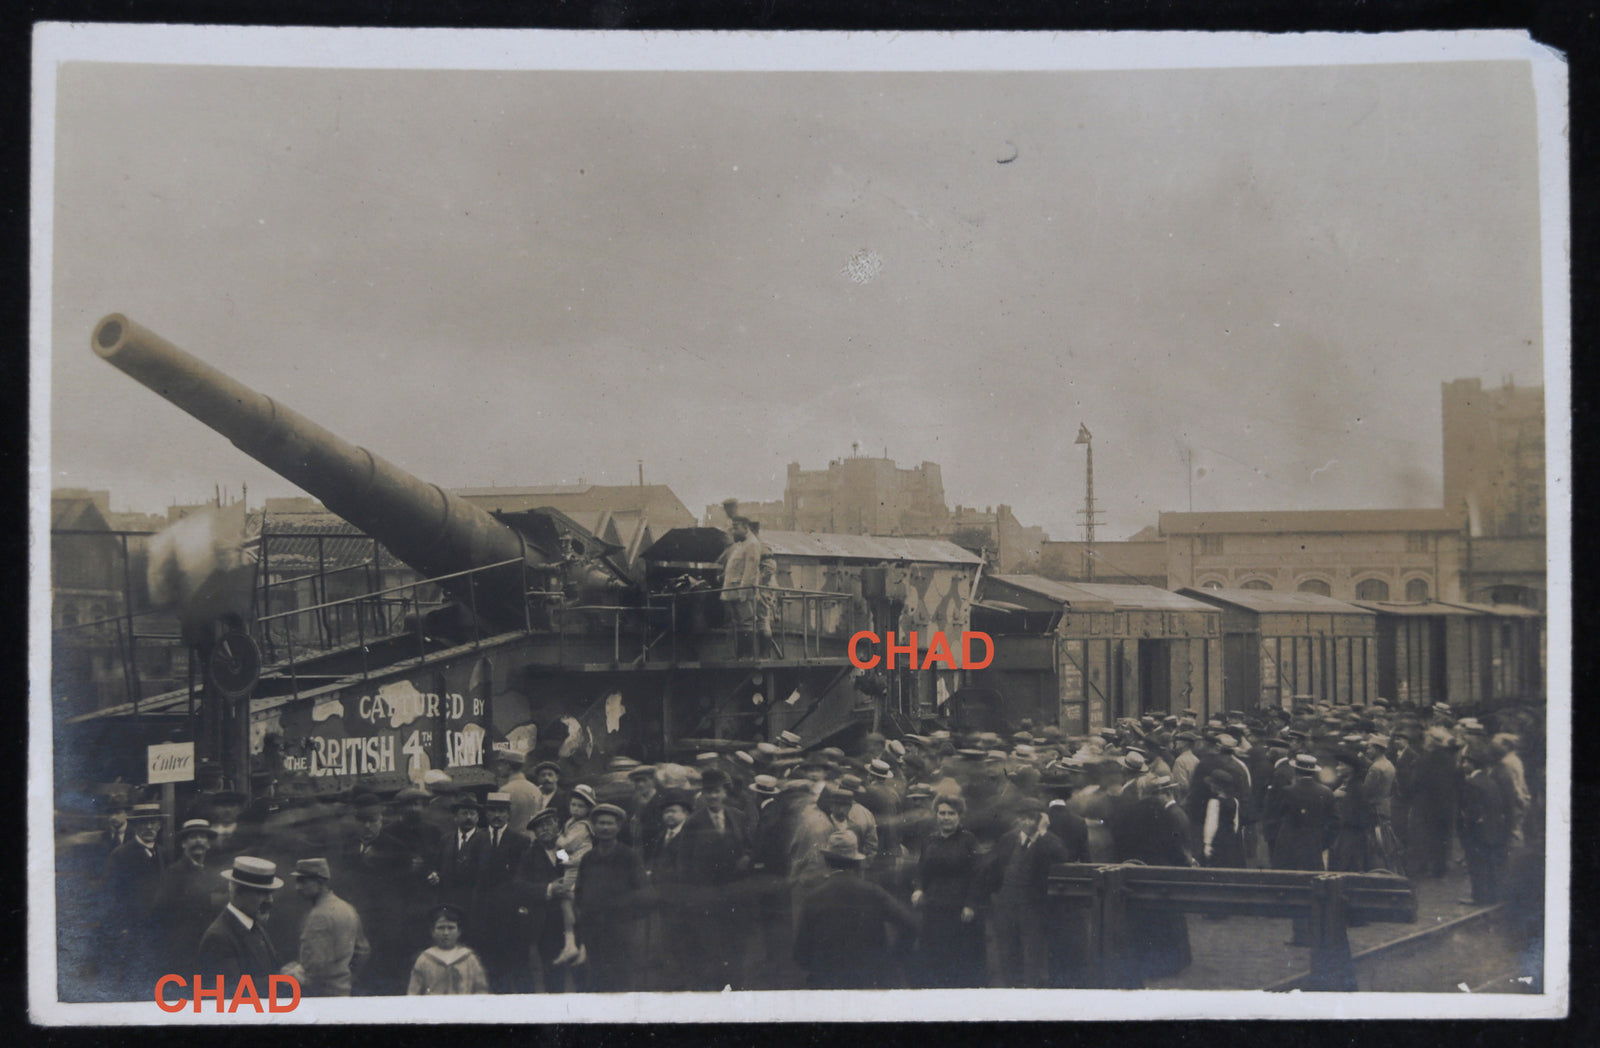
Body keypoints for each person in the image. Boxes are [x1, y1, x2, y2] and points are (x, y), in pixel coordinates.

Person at [794, 830, 917, 989]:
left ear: (827, 861)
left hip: (827, 982)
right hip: (869, 979)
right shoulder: (873, 892)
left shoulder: (814, 897)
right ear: (856, 862)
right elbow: (910, 925)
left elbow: (800, 954)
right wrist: (892, 959)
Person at [974, 799, 1072, 988]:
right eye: (1021, 818)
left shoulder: (1049, 841)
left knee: (1032, 959)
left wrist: (1042, 833)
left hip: (1033, 909)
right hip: (1006, 907)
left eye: (1030, 818)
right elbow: (991, 869)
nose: (1024, 822)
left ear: (1040, 820)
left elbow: (1061, 855)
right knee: (1008, 957)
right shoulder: (1008, 839)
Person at [675, 768, 752, 989]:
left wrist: (747, 857)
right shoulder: (693, 822)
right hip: (707, 893)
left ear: (724, 793)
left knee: (735, 942)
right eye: (708, 792)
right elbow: (684, 860)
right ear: (703, 794)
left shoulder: (737, 816)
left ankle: (736, 985)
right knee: (711, 944)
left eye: (716, 792)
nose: (713, 797)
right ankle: (714, 987)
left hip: (735, 892)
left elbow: (750, 845)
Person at [909, 795, 982, 988]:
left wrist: (970, 905)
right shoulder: (930, 841)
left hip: (958, 910)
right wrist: (918, 889)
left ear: (959, 816)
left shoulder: (968, 841)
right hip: (932, 907)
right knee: (931, 954)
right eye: (942, 813)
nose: (946, 817)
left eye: (951, 813)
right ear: (936, 815)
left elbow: (977, 877)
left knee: (956, 957)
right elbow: (921, 870)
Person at [573, 803, 646, 992]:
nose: (605, 828)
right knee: (596, 980)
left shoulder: (629, 857)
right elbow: (579, 894)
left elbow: (642, 893)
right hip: (594, 932)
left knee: (621, 981)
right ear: (594, 827)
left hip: (621, 932)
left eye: (610, 824)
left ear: (618, 827)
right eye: (600, 823)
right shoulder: (588, 858)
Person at [1268, 754, 1339, 946]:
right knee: (1313, 889)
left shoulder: (1287, 791)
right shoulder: (1326, 792)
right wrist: (1322, 843)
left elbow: (1274, 817)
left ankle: (1299, 934)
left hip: (1289, 845)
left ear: (1296, 771)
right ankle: (1315, 933)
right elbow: (1334, 824)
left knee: (1295, 890)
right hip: (1313, 846)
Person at [280, 857, 369, 996]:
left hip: (320, 996)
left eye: (303, 881)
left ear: (320, 882)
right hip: (343, 993)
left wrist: (290, 974)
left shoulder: (319, 916)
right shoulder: (347, 908)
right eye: (297, 881)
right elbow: (363, 951)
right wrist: (345, 981)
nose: (298, 887)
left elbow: (314, 969)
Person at [196, 856, 284, 990]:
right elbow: (230, 993)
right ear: (237, 893)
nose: (270, 900)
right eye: (262, 894)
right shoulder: (218, 938)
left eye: (271, 894)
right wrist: (282, 979)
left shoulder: (255, 927)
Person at [151, 818, 224, 975]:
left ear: (209, 844)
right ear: (184, 844)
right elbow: (161, 910)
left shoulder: (211, 872)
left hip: (207, 944)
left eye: (203, 837)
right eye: (193, 837)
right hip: (183, 947)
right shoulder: (174, 873)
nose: (199, 841)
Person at [477, 791, 534, 992]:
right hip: (485, 914)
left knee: (519, 967)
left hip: (511, 914)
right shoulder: (478, 839)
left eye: (501, 811)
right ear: (486, 814)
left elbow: (523, 878)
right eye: (493, 811)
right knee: (493, 969)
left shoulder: (520, 841)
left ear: (508, 814)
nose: (497, 816)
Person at [551, 784, 599, 967]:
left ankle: (579, 945)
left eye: (581, 806)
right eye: (573, 805)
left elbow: (567, 844)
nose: (576, 809)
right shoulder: (570, 822)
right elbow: (561, 852)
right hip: (570, 865)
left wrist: (558, 840)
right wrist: (562, 854)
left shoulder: (584, 826)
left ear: (588, 809)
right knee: (567, 902)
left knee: (572, 901)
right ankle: (572, 944)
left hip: (579, 867)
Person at [1458, 745, 1511, 906]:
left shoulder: (1472, 783)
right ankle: (1492, 896)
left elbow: (1472, 812)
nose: (1464, 765)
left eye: (1466, 762)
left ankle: (1479, 897)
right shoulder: (1489, 781)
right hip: (1492, 830)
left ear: (1474, 764)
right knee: (1488, 864)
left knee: (1476, 865)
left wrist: (1467, 828)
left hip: (1477, 832)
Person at [407, 904, 491, 995]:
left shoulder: (469, 959)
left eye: (451, 928)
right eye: (441, 928)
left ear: (459, 932)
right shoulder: (424, 959)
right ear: (432, 932)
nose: (446, 933)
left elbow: (482, 991)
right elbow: (413, 993)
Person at [718, 516, 763, 657]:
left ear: (745, 527)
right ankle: (739, 655)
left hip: (741, 594)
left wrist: (743, 593)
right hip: (733, 593)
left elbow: (750, 571)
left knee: (746, 624)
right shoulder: (740, 545)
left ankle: (747, 656)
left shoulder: (752, 544)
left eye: (736, 527)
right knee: (738, 624)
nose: (733, 531)